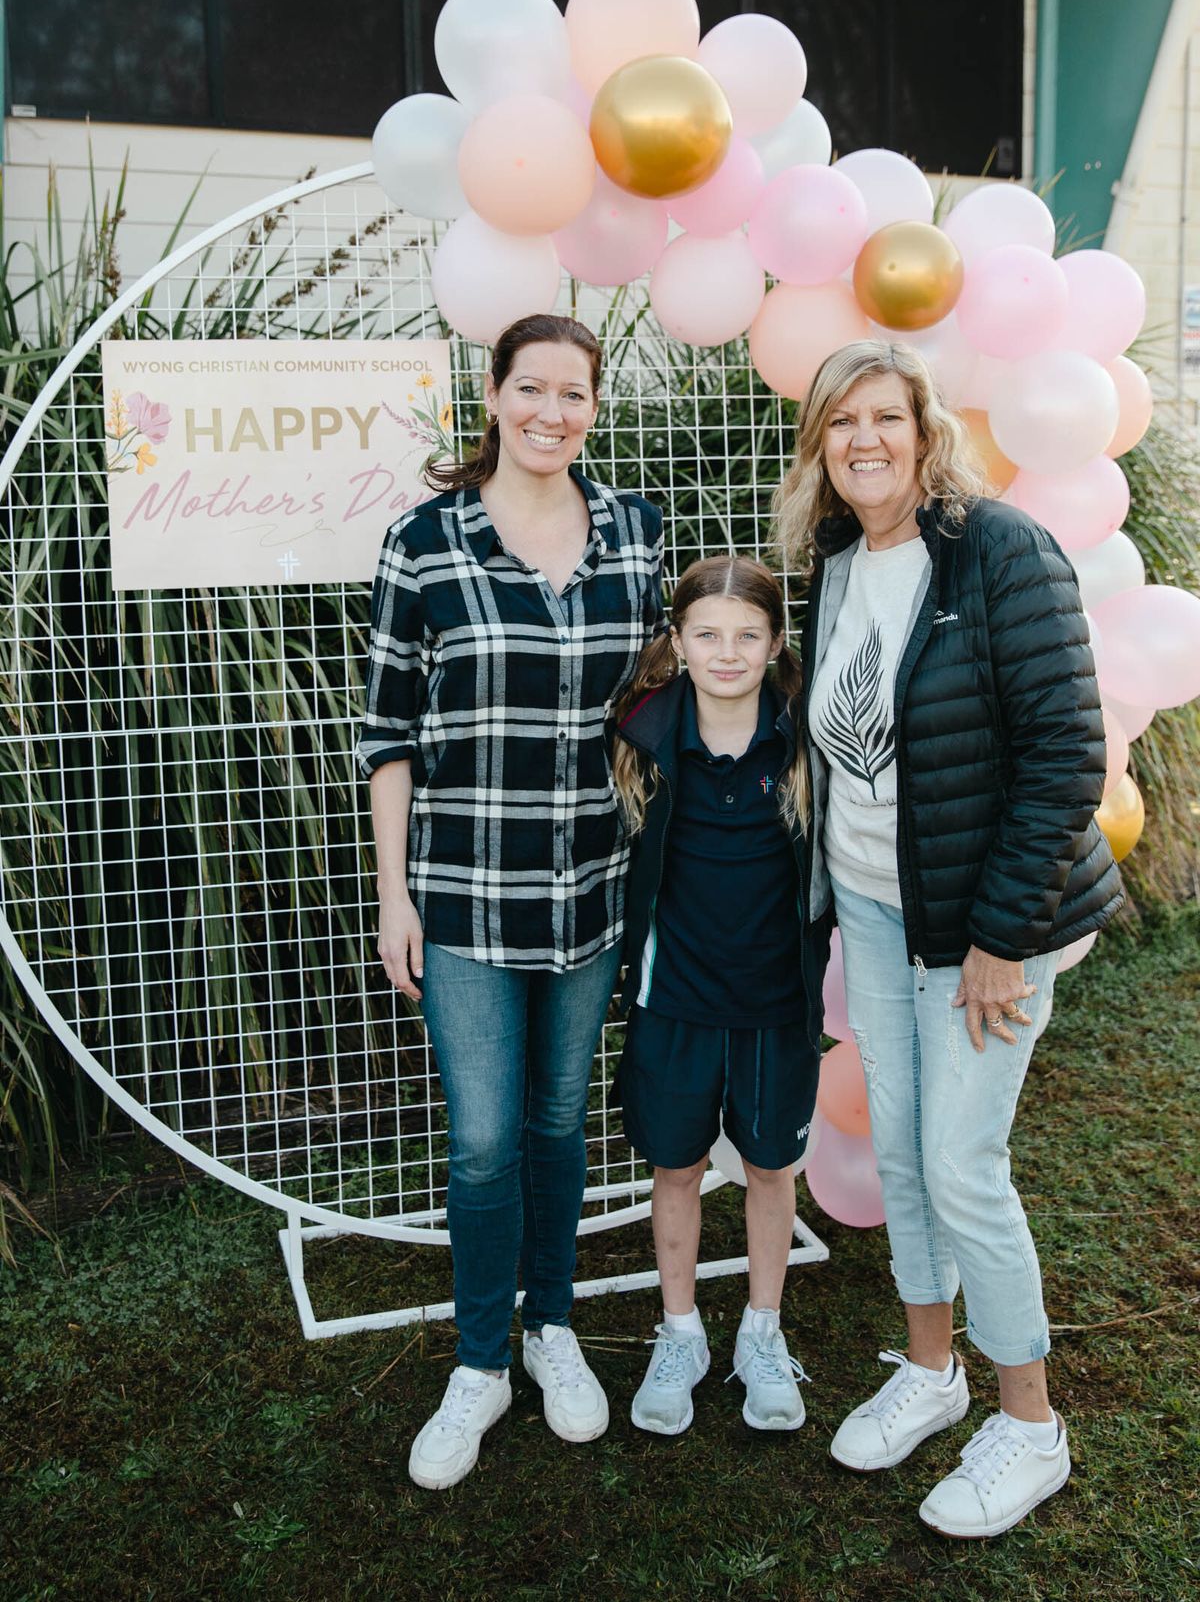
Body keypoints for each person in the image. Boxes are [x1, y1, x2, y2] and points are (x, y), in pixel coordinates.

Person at [773, 339, 1123, 1538]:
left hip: (985, 925)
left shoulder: (1001, 549)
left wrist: (1000, 940)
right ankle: (932, 1371)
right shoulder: (836, 563)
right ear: (821, 446)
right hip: (879, 912)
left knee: (963, 1163)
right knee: (909, 1157)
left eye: (886, 416)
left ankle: (1031, 1427)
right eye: (841, 421)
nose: (864, 439)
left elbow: (1068, 755)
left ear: (926, 432)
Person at [358, 313, 663, 1491]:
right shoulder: (426, 540)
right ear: (493, 397)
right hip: (465, 896)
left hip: (590, 890)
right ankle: (481, 1360)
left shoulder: (635, 532)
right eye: (531, 388)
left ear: (594, 406)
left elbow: (664, 703)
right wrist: (394, 894)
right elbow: (387, 732)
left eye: (573, 393)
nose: (551, 411)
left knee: (556, 1122)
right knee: (485, 1140)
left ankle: (553, 1328)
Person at [609, 556, 831, 1437]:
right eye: (706, 634)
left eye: (747, 635)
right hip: (675, 998)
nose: (727, 652)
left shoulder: (806, 742)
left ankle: (762, 1333)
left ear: (775, 643)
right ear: (678, 641)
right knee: (677, 1167)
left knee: (771, 1168)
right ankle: (680, 1332)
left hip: (776, 1001)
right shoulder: (642, 740)